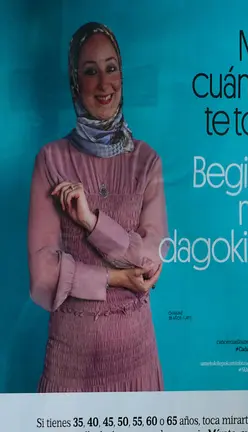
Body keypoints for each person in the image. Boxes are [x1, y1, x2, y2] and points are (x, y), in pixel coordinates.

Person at [27, 22, 168, 392]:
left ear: (122, 75)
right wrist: (115, 278)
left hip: (136, 361)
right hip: (71, 367)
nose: (104, 84)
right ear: (75, 82)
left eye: (111, 68)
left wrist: (91, 222)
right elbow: (42, 275)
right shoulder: (51, 160)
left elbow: (150, 262)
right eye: (90, 71)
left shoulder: (147, 161)